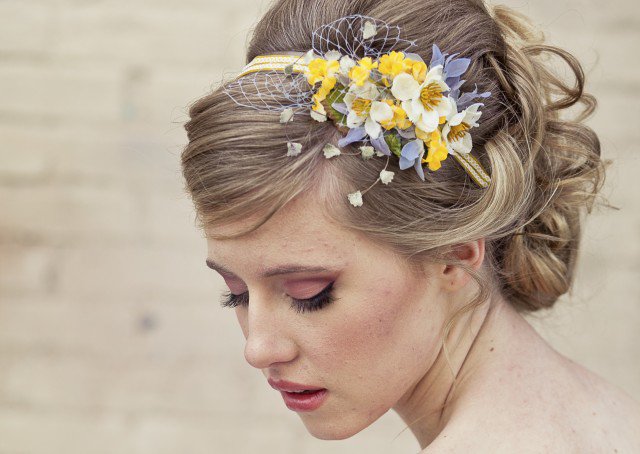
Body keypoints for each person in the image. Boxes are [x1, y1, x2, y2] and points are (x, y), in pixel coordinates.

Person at [180, 0, 640, 451]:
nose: (258, 349)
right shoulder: (616, 417)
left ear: (453, 254)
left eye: (309, 293)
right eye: (234, 293)